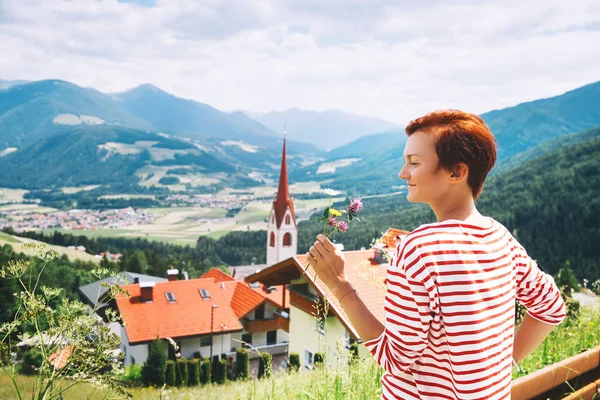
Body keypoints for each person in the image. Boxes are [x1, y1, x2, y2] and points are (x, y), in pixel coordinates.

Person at [306, 110, 566, 400]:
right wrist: (505, 365)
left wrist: (339, 285)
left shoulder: (417, 248)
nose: (402, 173)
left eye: (414, 163)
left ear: (456, 172)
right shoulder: (500, 238)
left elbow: (394, 358)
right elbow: (551, 308)